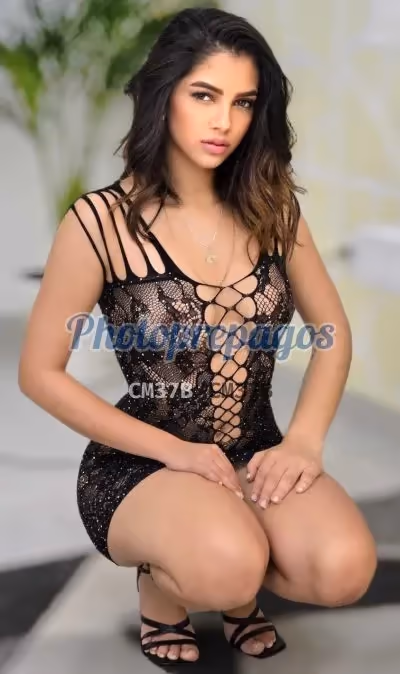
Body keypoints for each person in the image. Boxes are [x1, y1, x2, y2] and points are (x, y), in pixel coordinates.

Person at [18, 5, 377, 668]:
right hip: (144, 459)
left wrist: (303, 440)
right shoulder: (98, 223)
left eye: (243, 102)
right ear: (163, 95)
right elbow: (39, 374)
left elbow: (331, 332)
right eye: (204, 95)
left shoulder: (273, 208)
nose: (224, 122)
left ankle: (231, 554)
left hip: (253, 446)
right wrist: (174, 453)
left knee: (344, 569)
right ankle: (166, 589)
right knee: (225, 568)